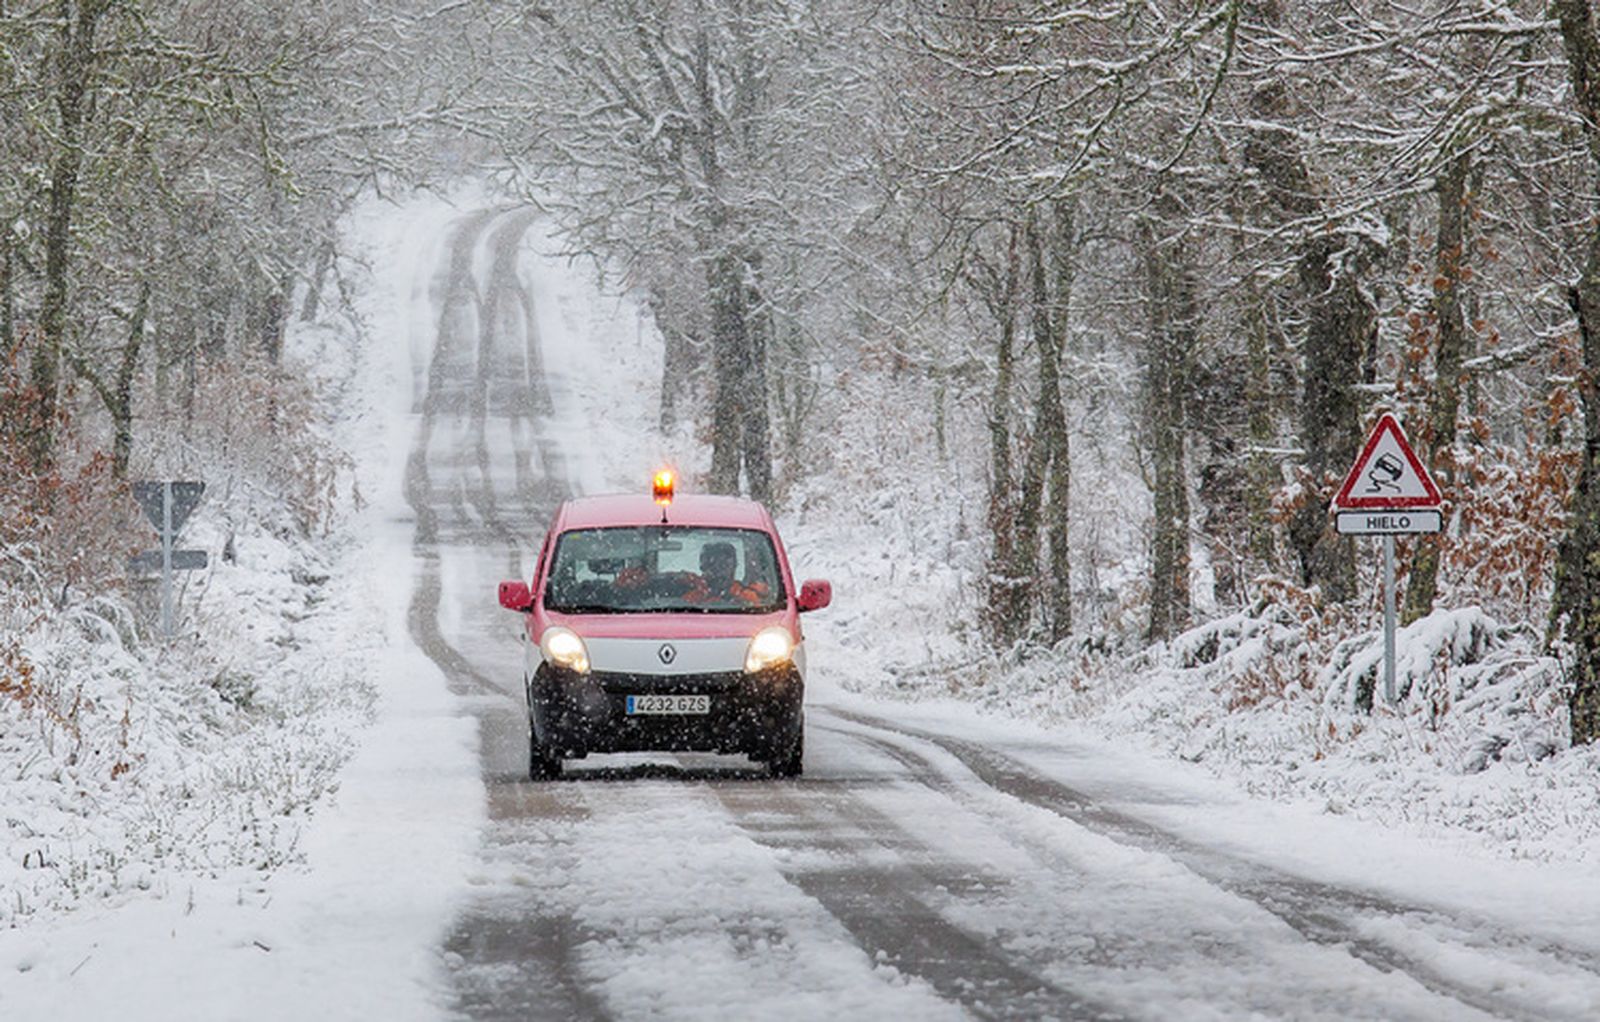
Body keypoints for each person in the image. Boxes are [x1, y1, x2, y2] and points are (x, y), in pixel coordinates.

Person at [685, 541, 768, 606]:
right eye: (712, 565)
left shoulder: (746, 596)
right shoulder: (691, 598)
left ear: (734, 566)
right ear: (703, 567)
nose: (718, 571)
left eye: (724, 565)